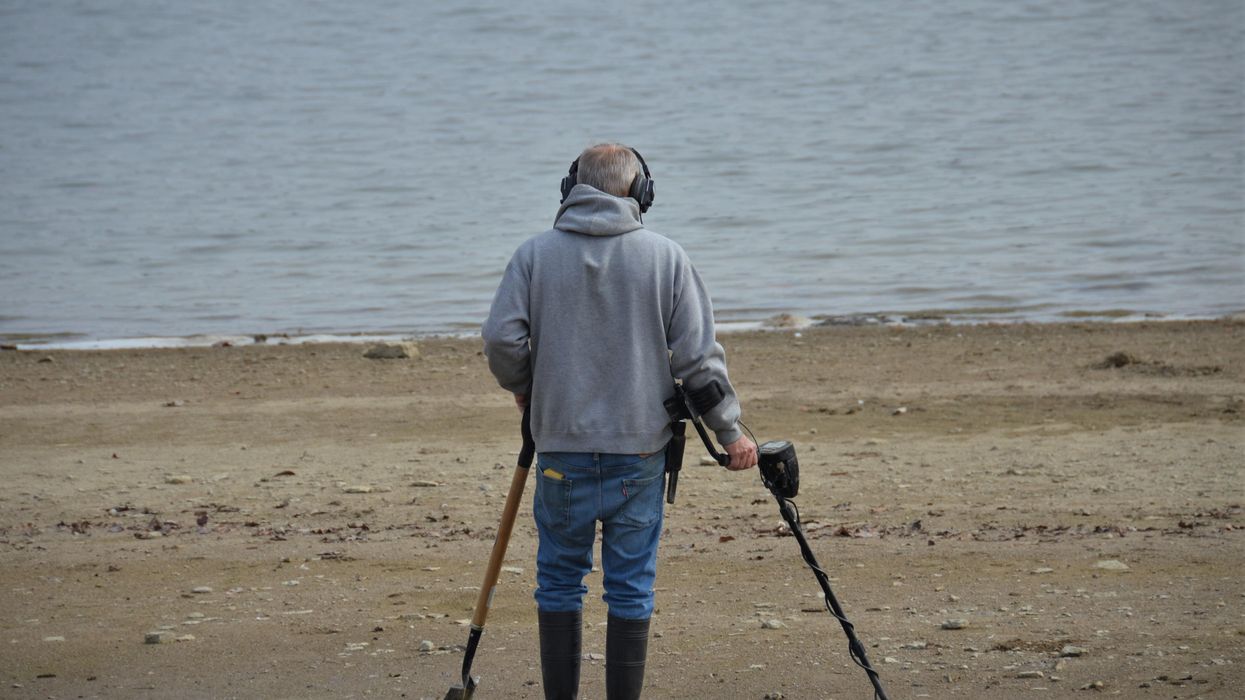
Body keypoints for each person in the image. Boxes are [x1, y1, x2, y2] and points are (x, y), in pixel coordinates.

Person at [482, 143, 757, 700]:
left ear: (571, 189)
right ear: (640, 192)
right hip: (640, 453)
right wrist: (730, 432)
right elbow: (698, 362)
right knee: (630, 589)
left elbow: (501, 339)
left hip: (559, 450)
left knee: (559, 582)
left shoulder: (533, 255)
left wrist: (525, 387)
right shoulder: (666, 256)